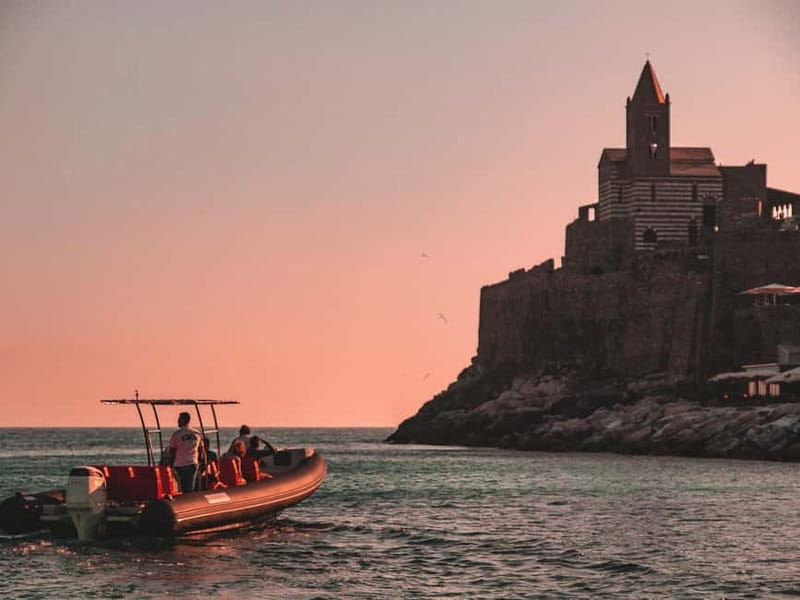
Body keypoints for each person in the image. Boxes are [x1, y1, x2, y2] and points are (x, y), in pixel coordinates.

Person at [168, 412, 201, 493]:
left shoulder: (176, 434)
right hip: (192, 463)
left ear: (184, 420)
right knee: (189, 487)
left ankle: (185, 501)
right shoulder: (197, 433)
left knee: (181, 486)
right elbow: (201, 449)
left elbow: (172, 451)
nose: (178, 421)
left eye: (179, 419)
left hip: (179, 464)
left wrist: (170, 464)